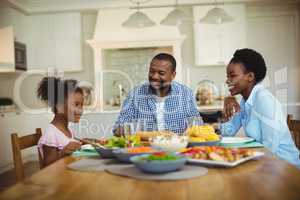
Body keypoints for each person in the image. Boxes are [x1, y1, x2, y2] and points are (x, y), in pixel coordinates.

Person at [221, 48, 300, 167]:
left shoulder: (264, 100)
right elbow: (226, 132)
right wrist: (226, 102)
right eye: (227, 76)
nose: (228, 81)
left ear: (250, 76)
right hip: (266, 164)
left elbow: (270, 148)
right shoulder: (244, 102)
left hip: (286, 167)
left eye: (232, 76)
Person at [113, 53, 201, 134]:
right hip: (144, 149)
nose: (154, 76)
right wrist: (131, 130)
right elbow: (117, 129)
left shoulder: (186, 94)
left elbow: (197, 126)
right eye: (152, 71)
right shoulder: (134, 95)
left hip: (178, 148)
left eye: (161, 73)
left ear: (173, 75)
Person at [37, 77, 84, 166]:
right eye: (76, 104)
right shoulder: (51, 134)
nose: (81, 110)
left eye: (82, 105)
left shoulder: (68, 130)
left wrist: (83, 142)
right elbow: (47, 166)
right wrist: (62, 153)